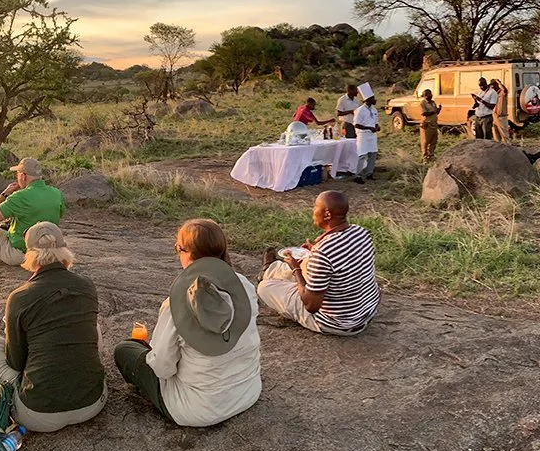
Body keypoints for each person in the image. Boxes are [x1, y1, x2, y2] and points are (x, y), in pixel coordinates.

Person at [114, 219, 261, 427]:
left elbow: (163, 369)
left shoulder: (176, 304)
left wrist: (151, 352)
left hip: (197, 409)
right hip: (247, 392)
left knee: (126, 350)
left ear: (187, 253)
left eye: (179, 248)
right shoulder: (245, 286)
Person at [0, 222, 106, 432]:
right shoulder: (87, 286)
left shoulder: (19, 297)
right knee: (94, 326)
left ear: (30, 255)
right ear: (64, 250)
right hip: (93, 404)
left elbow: (16, 362)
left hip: (38, 415)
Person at [257, 191, 380, 335]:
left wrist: (296, 269)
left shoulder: (323, 252)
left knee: (264, 287)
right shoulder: (361, 232)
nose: (313, 211)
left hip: (335, 322)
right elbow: (339, 259)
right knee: (309, 259)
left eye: (315, 207)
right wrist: (314, 250)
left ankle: (269, 274)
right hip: (366, 311)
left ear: (327, 215)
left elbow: (311, 305)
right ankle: (270, 270)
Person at [353, 91, 379, 184]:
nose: (375, 100)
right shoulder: (360, 110)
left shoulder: (374, 109)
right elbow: (356, 125)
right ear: (367, 100)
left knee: (373, 154)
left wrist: (376, 127)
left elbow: (376, 121)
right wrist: (368, 128)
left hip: (372, 135)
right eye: (373, 98)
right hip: (363, 135)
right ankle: (358, 176)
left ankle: (369, 173)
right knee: (362, 155)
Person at [419, 88, 442, 162]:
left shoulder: (433, 102)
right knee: (425, 141)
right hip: (427, 124)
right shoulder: (423, 103)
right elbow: (424, 113)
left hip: (434, 124)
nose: (429, 95)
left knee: (434, 140)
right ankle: (425, 157)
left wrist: (438, 110)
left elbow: (435, 112)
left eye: (430, 94)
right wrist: (433, 111)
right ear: (424, 96)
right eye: (427, 94)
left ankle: (431, 155)